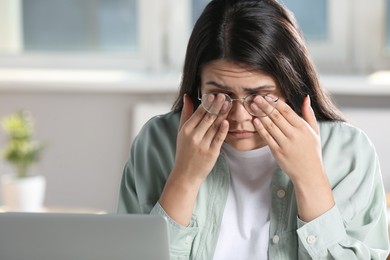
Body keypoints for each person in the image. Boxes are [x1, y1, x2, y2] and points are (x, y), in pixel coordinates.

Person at [117, 0, 390, 259]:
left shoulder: (350, 153)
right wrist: (184, 177)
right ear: (196, 88)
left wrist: (310, 179)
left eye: (260, 97)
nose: (239, 116)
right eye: (219, 95)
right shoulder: (156, 143)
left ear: (291, 89)